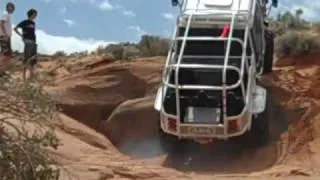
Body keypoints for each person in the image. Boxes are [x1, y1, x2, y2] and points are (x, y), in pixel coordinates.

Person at [14, 8, 38, 81]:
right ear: (31, 14)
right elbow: (15, 28)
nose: (35, 16)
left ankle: (31, 77)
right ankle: (24, 78)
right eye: (34, 14)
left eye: (36, 15)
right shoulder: (25, 22)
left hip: (33, 41)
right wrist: (21, 35)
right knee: (27, 58)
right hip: (27, 41)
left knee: (33, 58)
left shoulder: (33, 23)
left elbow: (33, 32)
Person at [0, 2, 15, 71]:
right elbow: (1, 24)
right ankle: (2, 70)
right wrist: (6, 35)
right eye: (12, 7)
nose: (13, 9)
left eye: (13, 7)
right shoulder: (5, 13)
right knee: (5, 53)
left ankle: (3, 70)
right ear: (8, 7)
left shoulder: (7, 14)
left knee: (8, 54)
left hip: (6, 37)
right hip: (4, 36)